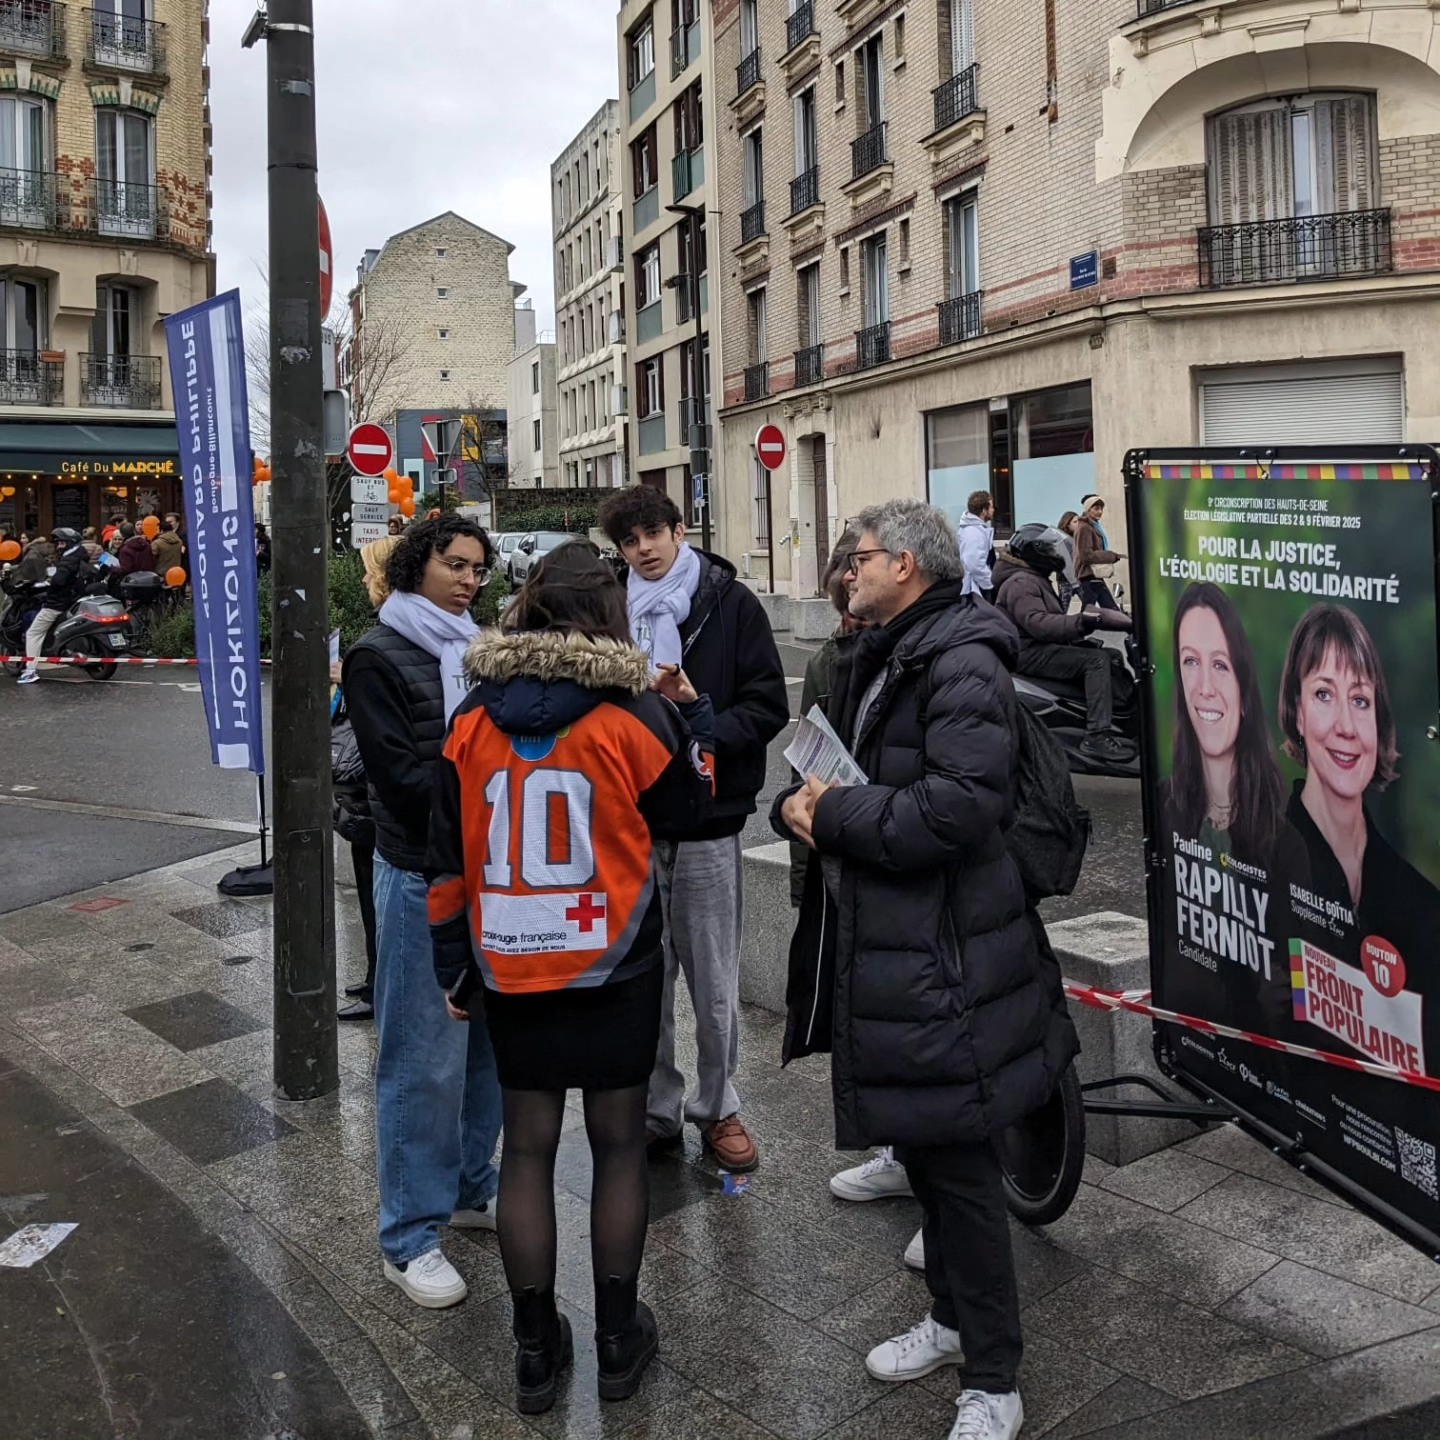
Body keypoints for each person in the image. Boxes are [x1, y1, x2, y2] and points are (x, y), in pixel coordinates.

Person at [774, 498, 1078, 1440]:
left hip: (950, 959)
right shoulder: (890, 648)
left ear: (906, 563)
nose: (846, 571)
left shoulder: (959, 657)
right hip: (912, 949)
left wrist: (831, 819)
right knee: (941, 1157)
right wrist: (810, 799)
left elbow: (957, 807)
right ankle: (950, 1324)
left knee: (960, 1177)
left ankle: (994, 1380)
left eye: (858, 557)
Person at [428, 545, 715, 1414]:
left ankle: (532, 1348)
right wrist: (692, 724)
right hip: (615, 956)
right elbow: (689, 813)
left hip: (512, 962)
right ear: (608, 614)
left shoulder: (472, 717)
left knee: (527, 1147)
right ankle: (620, 1340)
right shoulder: (633, 714)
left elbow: (447, 857)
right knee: (621, 1144)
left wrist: (454, 963)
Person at [597, 484, 787, 1173]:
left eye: (653, 533)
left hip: (708, 818)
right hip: (631, 820)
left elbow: (767, 705)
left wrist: (698, 710)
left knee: (713, 982)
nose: (643, 549)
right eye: (628, 540)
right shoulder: (610, 610)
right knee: (644, 978)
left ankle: (719, 1107)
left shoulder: (730, 605)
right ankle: (656, 1109)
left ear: (680, 530)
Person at [342, 515, 503, 1310]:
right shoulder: (376, 653)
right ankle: (408, 1239)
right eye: (455, 564)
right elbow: (398, 777)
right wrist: (489, 784)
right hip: (417, 873)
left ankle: (474, 1189)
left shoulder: (476, 648)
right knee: (421, 1059)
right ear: (417, 564)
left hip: (486, 872)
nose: (469, 579)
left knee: (486, 1053)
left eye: (478, 568)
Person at [1272, 604, 1440, 1070]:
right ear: (1296, 711)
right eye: (1324, 694)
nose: (1346, 725)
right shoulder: (1259, 862)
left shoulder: (1424, 907)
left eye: (1361, 700)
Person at [1163, 582, 1284, 863]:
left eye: (1220, 665)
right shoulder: (1162, 807)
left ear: (1244, 692)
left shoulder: (1284, 841)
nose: (1205, 687)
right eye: (1191, 661)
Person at [994, 524, 1136, 763]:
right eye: (1048, 551)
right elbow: (1038, 623)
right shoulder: (1021, 583)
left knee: (1110, 653)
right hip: (1028, 652)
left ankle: (1122, 721)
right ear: (1034, 553)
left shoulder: (1031, 577)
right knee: (1097, 662)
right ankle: (1096, 736)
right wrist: (1082, 622)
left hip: (1034, 646)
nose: (1055, 556)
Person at [334, 537, 403, 1024]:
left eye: (367, 570)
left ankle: (382, 984)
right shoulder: (385, 627)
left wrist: (345, 678)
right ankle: (376, 973)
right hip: (370, 796)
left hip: (374, 795)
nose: (362, 580)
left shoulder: (386, 636)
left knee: (377, 891)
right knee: (368, 890)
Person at [17, 528, 87, 684]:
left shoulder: (68, 560)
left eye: (62, 543)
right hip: (73, 600)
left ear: (69, 543)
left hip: (56, 603)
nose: (59, 546)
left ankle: (30, 670)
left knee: (34, 632)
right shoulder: (81, 555)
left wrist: (49, 582)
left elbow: (59, 581)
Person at [1073, 495, 1121, 611]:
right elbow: (1086, 555)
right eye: (1096, 508)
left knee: (1098, 610)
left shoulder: (1093, 526)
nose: (1100, 512)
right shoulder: (1085, 527)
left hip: (1093, 575)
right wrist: (1110, 556)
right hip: (1089, 574)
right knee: (1107, 609)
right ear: (1088, 509)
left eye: (1101, 509)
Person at [956, 491, 995, 601]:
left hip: (978, 588)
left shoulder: (976, 530)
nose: (993, 510)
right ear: (984, 511)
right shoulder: (973, 533)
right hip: (976, 591)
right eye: (991, 507)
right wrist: (990, 583)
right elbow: (974, 565)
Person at [1056, 512, 1080, 614]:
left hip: (1078, 576)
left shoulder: (1077, 537)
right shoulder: (1061, 540)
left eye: (1079, 521)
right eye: (1075, 522)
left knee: (1089, 603)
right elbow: (1065, 561)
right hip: (1066, 579)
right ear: (1067, 524)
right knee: (1063, 607)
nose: (1078, 524)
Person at [151, 515, 185, 581]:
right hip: (176, 573)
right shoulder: (179, 541)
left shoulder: (157, 543)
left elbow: (151, 558)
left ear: (162, 531)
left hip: (161, 574)